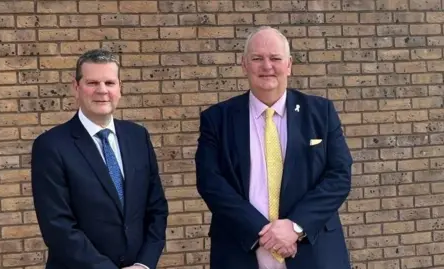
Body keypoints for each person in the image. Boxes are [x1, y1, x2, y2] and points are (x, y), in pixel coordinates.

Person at [195, 26, 353, 269]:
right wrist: (262, 233)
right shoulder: (217, 119)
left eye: (275, 58)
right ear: (244, 64)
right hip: (241, 252)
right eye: (257, 58)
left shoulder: (321, 113)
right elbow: (211, 183)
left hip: (314, 252)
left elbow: (339, 176)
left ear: (289, 65)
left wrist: (295, 226)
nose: (267, 66)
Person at [31, 49, 168, 269]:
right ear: (76, 88)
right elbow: (58, 226)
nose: (102, 91)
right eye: (92, 82)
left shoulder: (137, 137)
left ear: (120, 88)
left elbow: (156, 208)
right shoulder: (51, 146)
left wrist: (144, 264)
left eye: (110, 83)